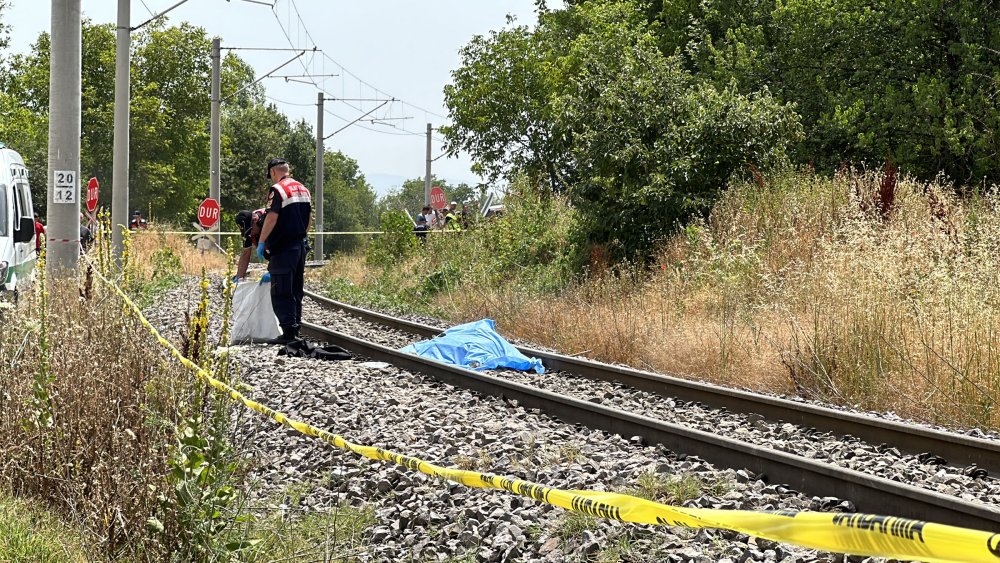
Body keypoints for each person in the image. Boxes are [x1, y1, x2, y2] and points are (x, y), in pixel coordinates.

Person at [257, 157, 312, 344]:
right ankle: (296, 328)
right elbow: (309, 219)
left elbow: (271, 218)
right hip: (299, 246)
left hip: (283, 248)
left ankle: (288, 333)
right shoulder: (303, 189)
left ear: (273, 172)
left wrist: (262, 241)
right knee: (296, 289)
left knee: (281, 290)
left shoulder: (278, 190)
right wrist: (302, 238)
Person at [234, 208, 267, 280]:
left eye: (250, 230)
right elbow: (245, 254)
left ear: (255, 220)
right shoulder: (248, 232)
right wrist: (239, 277)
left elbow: (282, 248)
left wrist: (273, 270)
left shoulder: (268, 220)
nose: (250, 234)